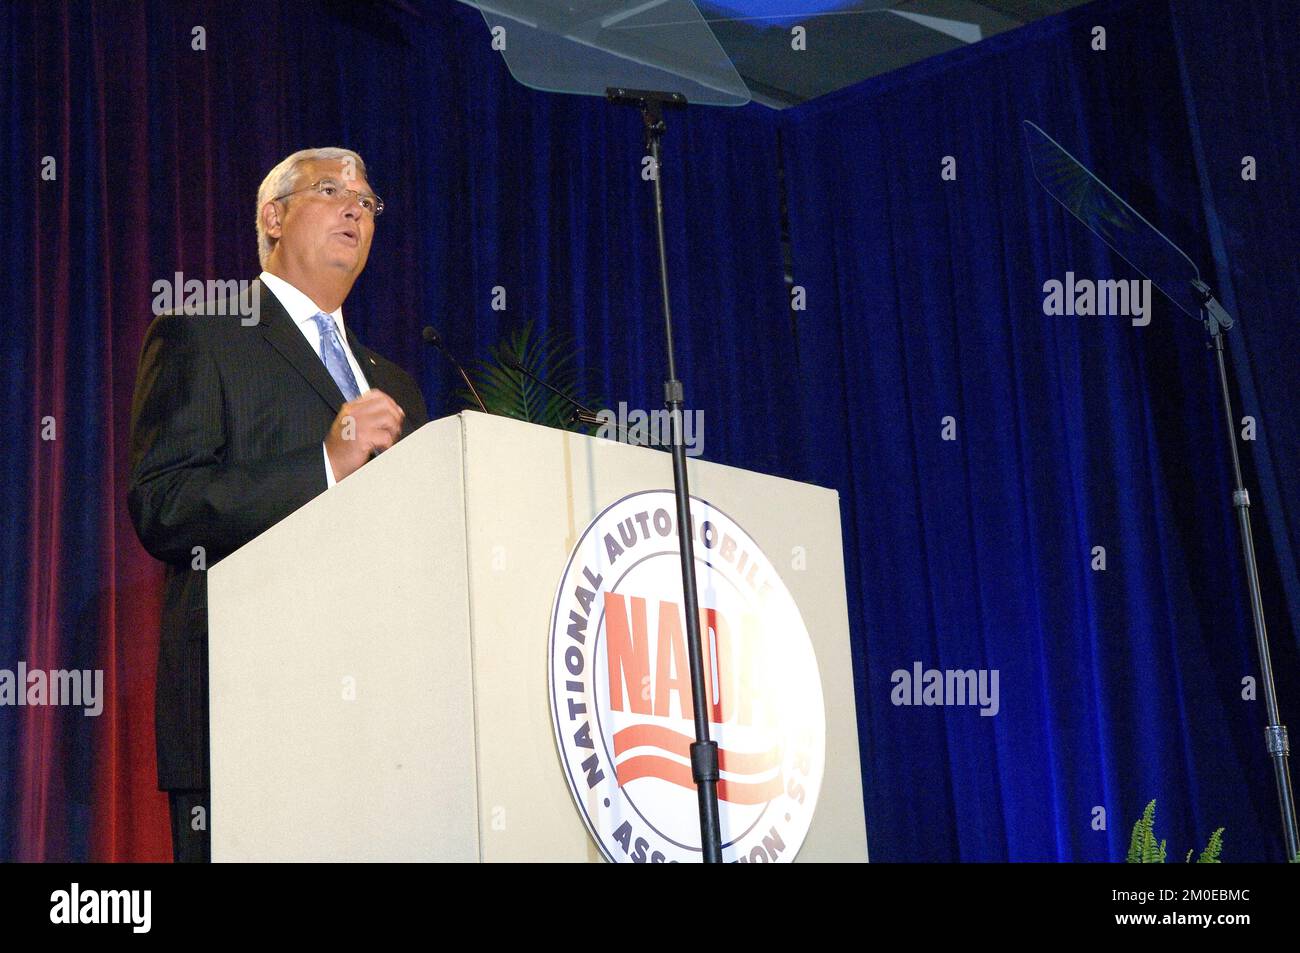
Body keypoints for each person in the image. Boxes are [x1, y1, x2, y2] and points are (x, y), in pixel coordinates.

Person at [127, 147, 428, 861]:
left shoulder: (397, 386)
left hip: (386, 737)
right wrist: (324, 462)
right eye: (332, 190)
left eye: (367, 198)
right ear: (273, 215)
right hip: (249, 719)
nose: (356, 206)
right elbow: (164, 505)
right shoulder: (202, 331)